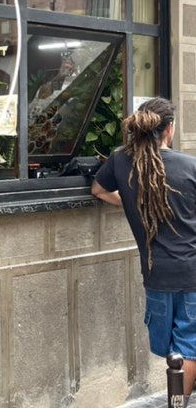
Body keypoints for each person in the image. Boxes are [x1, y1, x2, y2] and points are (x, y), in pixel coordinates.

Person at [91, 98, 196, 404]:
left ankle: (177, 398)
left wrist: (132, 203)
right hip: (191, 272)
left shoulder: (120, 160)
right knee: (188, 348)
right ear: (169, 129)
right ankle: (178, 403)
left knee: (171, 350)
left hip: (155, 274)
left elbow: (98, 190)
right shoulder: (190, 166)